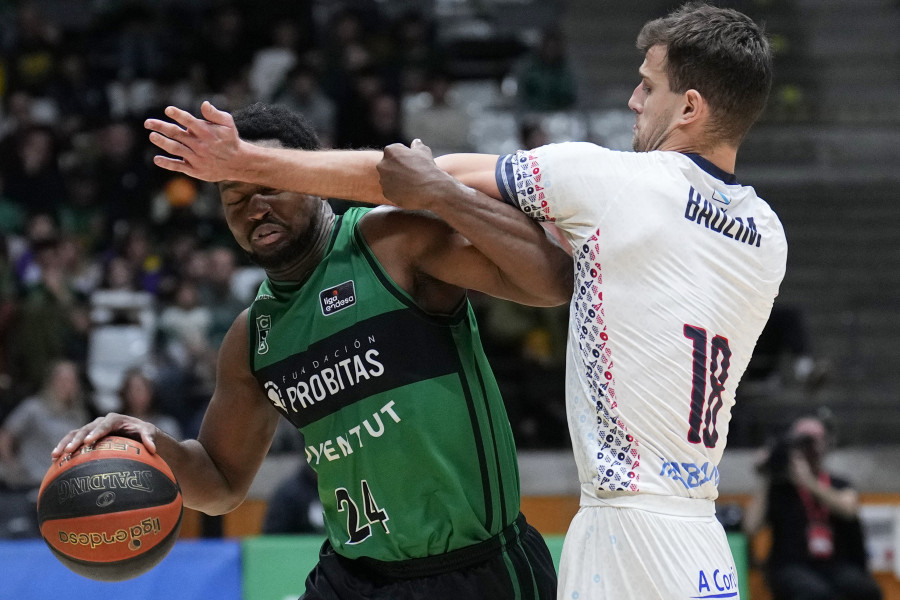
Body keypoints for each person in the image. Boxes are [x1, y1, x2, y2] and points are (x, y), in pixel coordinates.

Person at [138, 3, 788, 597]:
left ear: (690, 107)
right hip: (696, 525)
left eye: (648, 86)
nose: (631, 99)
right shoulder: (764, 232)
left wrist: (241, 158)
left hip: (613, 521)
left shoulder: (617, 183)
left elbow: (403, 177)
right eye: (233, 196)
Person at [55, 103, 569, 599]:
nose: (254, 206)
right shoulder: (251, 336)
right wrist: (150, 443)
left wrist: (442, 194)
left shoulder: (388, 243)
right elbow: (219, 482)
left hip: (473, 571)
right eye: (234, 195)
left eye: (269, 185)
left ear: (312, 177)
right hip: (351, 577)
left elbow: (551, 281)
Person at [742, 416, 882, 600]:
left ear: (825, 445)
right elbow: (750, 526)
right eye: (802, 441)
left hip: (835, 564)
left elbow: (849, 509)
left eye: (814, 441)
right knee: (815, 594)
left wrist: (807, 481)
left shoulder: (838, 483)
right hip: (791, 566)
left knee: (867, 590)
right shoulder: (779, 489)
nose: (809, 449)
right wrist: (768, 474)